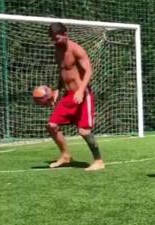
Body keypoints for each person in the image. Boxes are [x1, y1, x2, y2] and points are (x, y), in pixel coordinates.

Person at [47, 22, 104, 171]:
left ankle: (98, 161)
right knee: (52, 126)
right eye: (53, 38)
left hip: (83, 95)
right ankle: (66, 155)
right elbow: (63, 72)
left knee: (84, 131)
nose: (55, 41)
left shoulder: (77, 50)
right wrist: (57, 90)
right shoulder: (57, 50)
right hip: (68, 96)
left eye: (57, 38)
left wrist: (80, 90)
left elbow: (88, 72)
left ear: (65, 34)